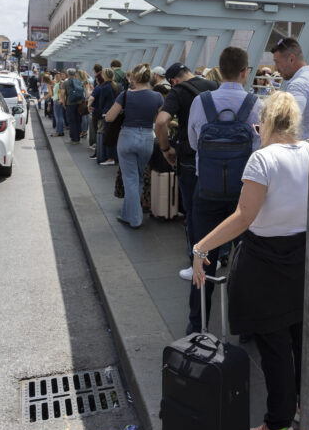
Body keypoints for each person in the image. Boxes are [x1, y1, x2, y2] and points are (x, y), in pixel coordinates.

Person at [191, 91, 309, 430]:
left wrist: (201, 246)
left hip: (266, 262)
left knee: (275, 347)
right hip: (306, 256)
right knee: (305, 339)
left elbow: (243, 217)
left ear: (265, 123)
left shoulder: (262, 159)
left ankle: (279, 428)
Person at [185, 47, 262, 333]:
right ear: (245, 71)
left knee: (202, 257)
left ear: (218, 70)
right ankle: (245, 327)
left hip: (206, 192)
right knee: (245, 263)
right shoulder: (255, 104)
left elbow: (194, 144)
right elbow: (259, 151)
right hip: (244, 198)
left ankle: (197, 326)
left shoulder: (201, 102)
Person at [155, 63, 219, 281]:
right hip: (215, 156)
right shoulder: (214, 85)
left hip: (189, 157)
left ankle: (197, 262)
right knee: (215, 209)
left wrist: (166, 149)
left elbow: (160, 122)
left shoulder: (178, 92)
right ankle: (216, 256)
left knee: (193, 212)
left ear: (173, 80)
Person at [106, 64, 163, 227]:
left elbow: (109, 118)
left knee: (130, 179)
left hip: (127, 137)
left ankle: (135, 219)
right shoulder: (157, 96)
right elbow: (160, 121)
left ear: (133, 78)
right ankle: (126, 214)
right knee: (137, 178)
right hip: (146, 138)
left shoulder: (125, 96)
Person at [91, 68, 121, 165]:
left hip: (107, 114)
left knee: (108, 136)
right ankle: (115, 157)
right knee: (115, 135)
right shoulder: (117, 86)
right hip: (116, 113)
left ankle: (110, 158)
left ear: (104, 76)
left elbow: (101, 103)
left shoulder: (104, 87)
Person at [59, 68, 85, 144]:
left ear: (68, 74)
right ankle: (78, 138)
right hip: (79, 104)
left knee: (71, 121)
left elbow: (62, 94)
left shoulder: (65, 82)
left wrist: (64, 104)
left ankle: (74, 139)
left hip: (70, 104)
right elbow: (83, 93)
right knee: (78, 120)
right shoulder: (79, 81)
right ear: (75, 74)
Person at [52, 71, 67, 136]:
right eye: (56, 76)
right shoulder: (57, 83)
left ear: (60, 77)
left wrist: (61, 100)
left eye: (58, 76)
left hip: (58, 101)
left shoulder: (61, 83)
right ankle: (60, 131)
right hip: (56, 100)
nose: (57, 77)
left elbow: (62, 92)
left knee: (58, 117)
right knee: (60, 117)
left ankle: (59, 132)